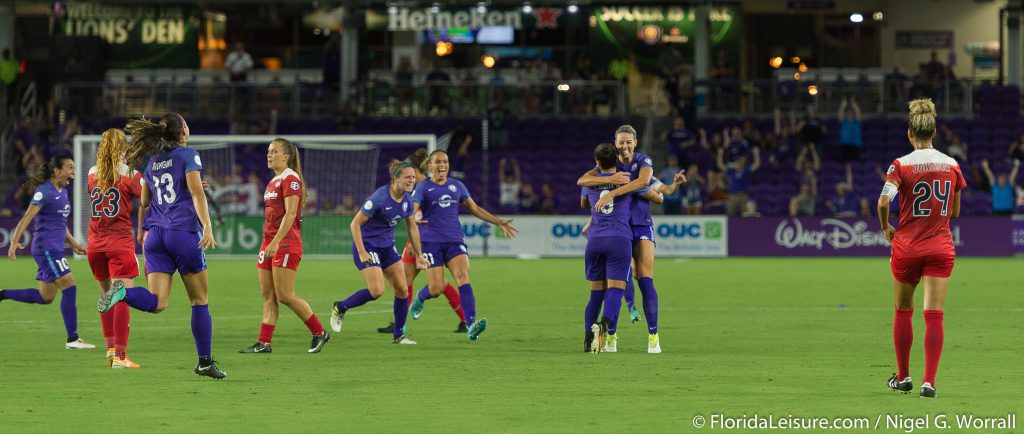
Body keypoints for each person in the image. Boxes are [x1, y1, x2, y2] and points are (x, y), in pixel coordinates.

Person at [97, 113, 226, 379]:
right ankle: (204, 362)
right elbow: (196, 193)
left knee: (157, 303)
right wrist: (208, 225)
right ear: (184, 131)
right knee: (199, 300)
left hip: (155, 236)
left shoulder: (152, 160)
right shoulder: (189, 154)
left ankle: (122, 293)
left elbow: (144, 201)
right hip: (183, 234)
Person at [879, 98, 966, 398]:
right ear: (935, 133)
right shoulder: (952, 164)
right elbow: (954, 212)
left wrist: (885, 227)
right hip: (940, 247)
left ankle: (904, 378)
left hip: (907, 246)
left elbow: (882, 202)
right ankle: (929, 382)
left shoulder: (900, 165)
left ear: (909, 134)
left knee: (903, 311)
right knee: (934, 315)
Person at [408, 150, 518, 341]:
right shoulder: (423, 187)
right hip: (430, 241)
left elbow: (475, 209)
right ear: (430, 165)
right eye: (438, 162)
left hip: (454, 240)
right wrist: (413, 220)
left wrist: (498, 221)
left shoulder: (457, 186)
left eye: (446, 161)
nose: (442, 165)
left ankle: (471, 324)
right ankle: (421, 296)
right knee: (435, 288)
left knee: (463, 276)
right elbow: (411, 211)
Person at [577, 125, 663, 354]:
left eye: (628, 142)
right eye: (620, 142)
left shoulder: (643, 161)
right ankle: (611, 336)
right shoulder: (608, 163)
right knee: (618, 284)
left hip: (640, 224)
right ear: (615, 143)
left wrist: (614, 190)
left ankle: (653, 336)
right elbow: (584, 181)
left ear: (635, 142)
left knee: (645, 279)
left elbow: (645, 183)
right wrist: (593, 217)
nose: (624, 146)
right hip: (620, 231)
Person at [239, 139, 329, 354]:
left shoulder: (291, 179)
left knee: (285, 295)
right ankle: (264, 342)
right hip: (268, 244)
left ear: (286, 156)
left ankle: (319, 332)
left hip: (286, 243)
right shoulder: (273, 182)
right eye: (268, 151)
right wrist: (266, 242)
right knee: (268, 295)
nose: (269, 155)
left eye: (274, 151)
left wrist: (276, 242)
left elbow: (290, 215)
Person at [330, 160, 429, 345]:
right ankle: (340, 307)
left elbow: (412, 228)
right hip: (367, 245)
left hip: (387, 246)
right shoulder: (379, 198)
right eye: (407, 177)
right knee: (377, 290)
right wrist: (361, 251)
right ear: (395, 179)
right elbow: (355, 224)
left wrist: (419, 254)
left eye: (413, 177)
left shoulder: (408, 199)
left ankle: (399, 335)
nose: (412, 181)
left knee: (402, 289)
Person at [1, 155, 95, 350]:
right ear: (56, 171)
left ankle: (2, 294)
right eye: (69, 167)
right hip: (47, 249)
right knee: (70, 285)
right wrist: (14, 241)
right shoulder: (44, 192)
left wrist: (74, 243)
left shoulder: (64, 192)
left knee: (46, 297)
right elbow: (27, 216)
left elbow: (61, 224)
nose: (73, 172)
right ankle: (73, 339)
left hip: (54, 248)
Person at [377, 149, 468, 335]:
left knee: (431, 283)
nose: (408, 176)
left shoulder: (424, 186)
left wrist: (414, 245)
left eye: (411, 172)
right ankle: (399, 324)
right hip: (419, 239)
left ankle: (465, 319)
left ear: (419, 171)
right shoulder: (415, 186)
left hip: (427, 241)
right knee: (406, 280)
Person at [86, 129, 144, 367]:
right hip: (119, 243)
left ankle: (110, 349)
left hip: (94, 244)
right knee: (121, 298)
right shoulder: (131, 174)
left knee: (106, 296)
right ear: (124, 148)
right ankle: (121, 355)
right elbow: (147, 199)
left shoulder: (91, 174)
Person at [580, 143, 638, 353]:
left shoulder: (589, 182)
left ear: (597, 162)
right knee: (616, 289)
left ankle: (588, 339)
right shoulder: (626, 179)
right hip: (619, 239)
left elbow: (584, 205)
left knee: (595, 293)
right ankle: (603, 326)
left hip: (594, 239)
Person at [838, 98, 863, 162]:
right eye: (848, 112)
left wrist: (854, 104)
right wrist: (843, 106)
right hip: (845, 144)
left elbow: (858, 112)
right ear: (846, 114)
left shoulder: (857, 122)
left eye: (851, 112)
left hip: (855, 144)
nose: (849, 113)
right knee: (845, 162)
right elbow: (840, 114)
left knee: (855, 163)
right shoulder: (844, 121)